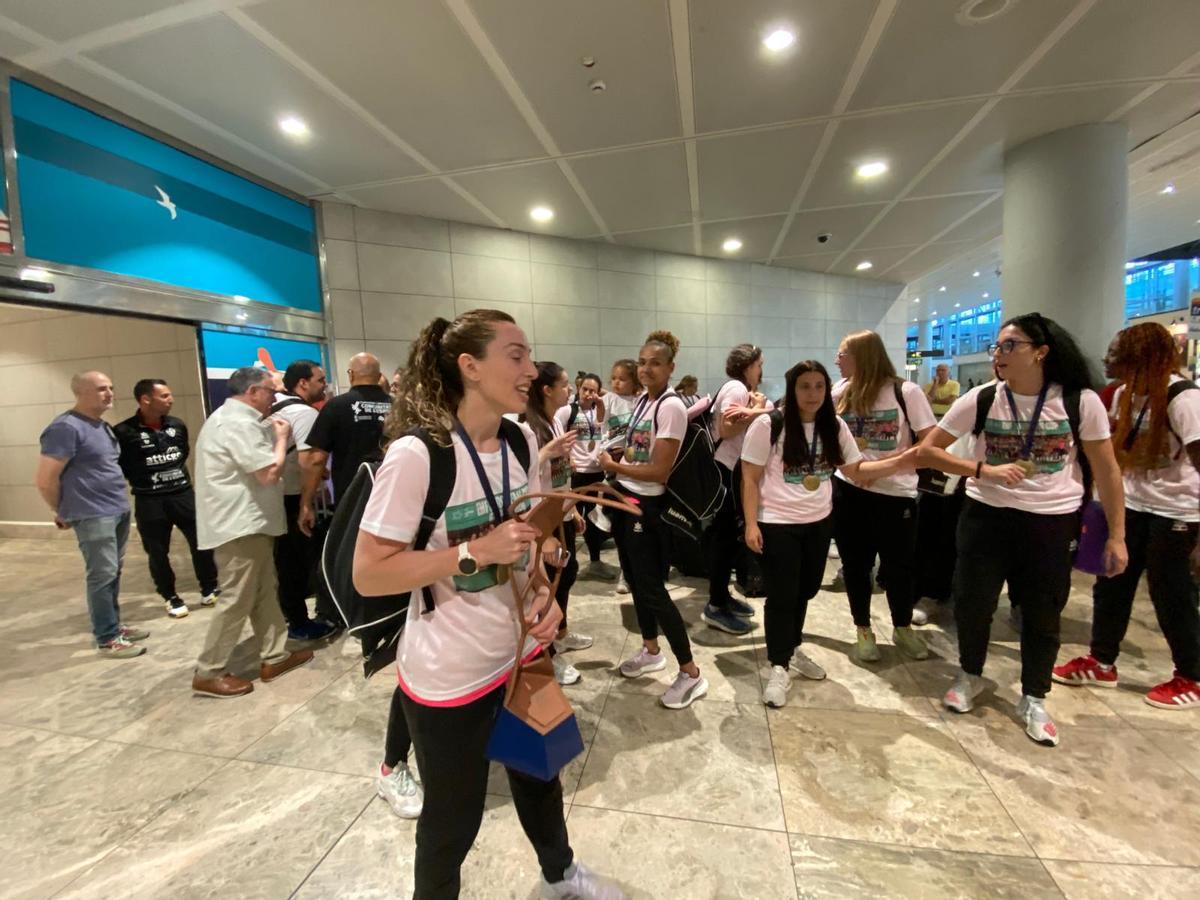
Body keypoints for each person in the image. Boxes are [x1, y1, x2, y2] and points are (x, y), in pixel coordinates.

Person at [353, 309, 622, 900]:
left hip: (522, 652)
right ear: (469, 367)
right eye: (516, 355)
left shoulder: (521, 439)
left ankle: (560, 875)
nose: (530, 369)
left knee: (541, 778)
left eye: (529, 356)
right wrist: (470, 554)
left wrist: (544, 592)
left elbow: (527, 538)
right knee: (452, 824)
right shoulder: (418, 455)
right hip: (451, 674)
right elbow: (370, 573)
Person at [917, 312, 1128, 746]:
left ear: (1041, 352)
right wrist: (981, 468)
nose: (999, 354)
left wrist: (1118, 535)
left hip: (1051, 521)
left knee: (1042, 611)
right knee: (973, 603)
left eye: (1009, 346)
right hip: (985, 517)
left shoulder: (1079, 401)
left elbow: (1107, 470)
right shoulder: (980, 398)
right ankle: (970, 674)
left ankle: (1034, 695)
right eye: (997, 346)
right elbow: (929, 451)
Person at [743, 360, 918, 707]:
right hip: (777, 523)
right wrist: (751, 523)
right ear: (792, 389)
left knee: (806, 591)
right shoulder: (769, 424)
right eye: (804, 386)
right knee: (782, 595)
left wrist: (904, 459)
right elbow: (748, 477)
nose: (813, 394)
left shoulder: (833, 426)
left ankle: (792, 650)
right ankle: (778, 665)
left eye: (819, 386)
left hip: (819, 522)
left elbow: (854, 469)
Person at [1054, 322, 1200, 709]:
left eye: (1118, 352)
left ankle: (1192, 675)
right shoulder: (1123, 395)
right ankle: (1102, 661)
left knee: (1171, 594)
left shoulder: (1183, 398)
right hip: (1132, 505)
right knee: (1112, 584)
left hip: (1177, 510)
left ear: (1141, 357)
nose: (1109, 358)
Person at [599, 330, 708, 710]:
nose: (646, 369)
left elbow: (661, 470)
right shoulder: (645, 403)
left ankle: (691, 673)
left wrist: (615, 465)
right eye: (642, 362)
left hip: (648, 509)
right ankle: (650, 650)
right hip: (627, 502)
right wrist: (619, 462)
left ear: (670, 367)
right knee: (638, 584)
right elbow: (640, 454)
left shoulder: (671, 406)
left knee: (654, 591)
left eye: (655, 363)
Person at [191, 366, 313, 698]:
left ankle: (275, 656)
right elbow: (268, 474)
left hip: (250, 523)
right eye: (271, 392)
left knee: (262, 592)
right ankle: (209, 670)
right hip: (239, 524)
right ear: (253, 391)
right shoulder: (236, 423)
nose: (274, 399)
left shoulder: (234, 420)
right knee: (236, 598)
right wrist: (283, 438)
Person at [832, 330, 936, 663]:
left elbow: (930, 441)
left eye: (842, 353)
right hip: (850, 493)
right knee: (856, 565)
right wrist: (852, 471)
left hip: (895, 494)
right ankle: (863, 628)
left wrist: (880, 470)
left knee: (899, 567)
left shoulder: (906, 392)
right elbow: (825, 438)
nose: (837, 360)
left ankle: (902, 626)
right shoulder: (839, 392)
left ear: (862, 355)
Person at [36, 371, 148, 657]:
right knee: (101, 574)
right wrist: (59, 510)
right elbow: (46, 479)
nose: (109, 393)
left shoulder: (101, 426)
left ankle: (113, 625)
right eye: (100, 389)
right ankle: (107, 637)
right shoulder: (65, 427)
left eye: (110, 387)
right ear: (81, 392)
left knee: (112, 572)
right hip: (92, 512)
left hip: (116, 509)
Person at [115, 378, 219, 618]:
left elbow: (183, 453)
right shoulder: (123, 431)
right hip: (150, 500)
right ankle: (170, 596)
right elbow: (122, 465)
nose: (170, 399)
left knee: (201, 542)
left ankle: (209, 587)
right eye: (164, 396)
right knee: (157, 551)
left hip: (182, 494)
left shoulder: (177, 425)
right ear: (145, 399)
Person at [524, 361, 590, 684]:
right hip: (545, 522)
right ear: (546, 390)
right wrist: (542, 533)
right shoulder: (531, 427)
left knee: (564, 577)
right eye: (564, 384)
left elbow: (558, 476)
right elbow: (526, 480)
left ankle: (559, 635)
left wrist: (572, 510)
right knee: (547, 586)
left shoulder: (551, 422)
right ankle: (547, 655)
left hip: (559, 515)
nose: (570, 390)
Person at [700, 343, 768, 635]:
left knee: (726, 538)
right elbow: (727, 429)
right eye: (758, 364)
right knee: (724, 539)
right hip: (725, 470)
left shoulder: (736, 389)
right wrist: (759, 410)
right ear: (747, 366)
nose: (760, 370)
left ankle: (722, 597)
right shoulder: (737, 390)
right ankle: (716, 605)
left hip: (727, 469)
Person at [271, 359, 335, 641]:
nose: (325, 385)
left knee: (286, 560)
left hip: (274, 495)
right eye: (320, 380)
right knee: (294, 562)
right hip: (291, 498)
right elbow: (311, 461)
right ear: (302, 384)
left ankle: (291, 615)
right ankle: (298, 622)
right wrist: (306, 504)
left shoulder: (276, 409)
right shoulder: (304, 413)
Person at [556, 372, 617, 581]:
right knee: (572, 520)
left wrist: (600, 401)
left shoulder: (599, 412)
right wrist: (566, 458)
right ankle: (568, 564)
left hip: (596, 473)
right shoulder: (567, 411)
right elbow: (555, 436)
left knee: (593, 520)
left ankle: (595, 562)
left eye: (594, 390)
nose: (589, 394)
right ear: (579, 389)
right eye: (585, 389)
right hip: (575, 474)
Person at [604, 359, 640, 595]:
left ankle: (634, 572)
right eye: (613, 378)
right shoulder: (607, 400)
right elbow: (598, 425)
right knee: (617, 523)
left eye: (622, 378)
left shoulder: (641, 402)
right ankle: (625, 572)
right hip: (612, 467)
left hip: (633, 468)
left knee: (633, 527)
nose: (617, 383)